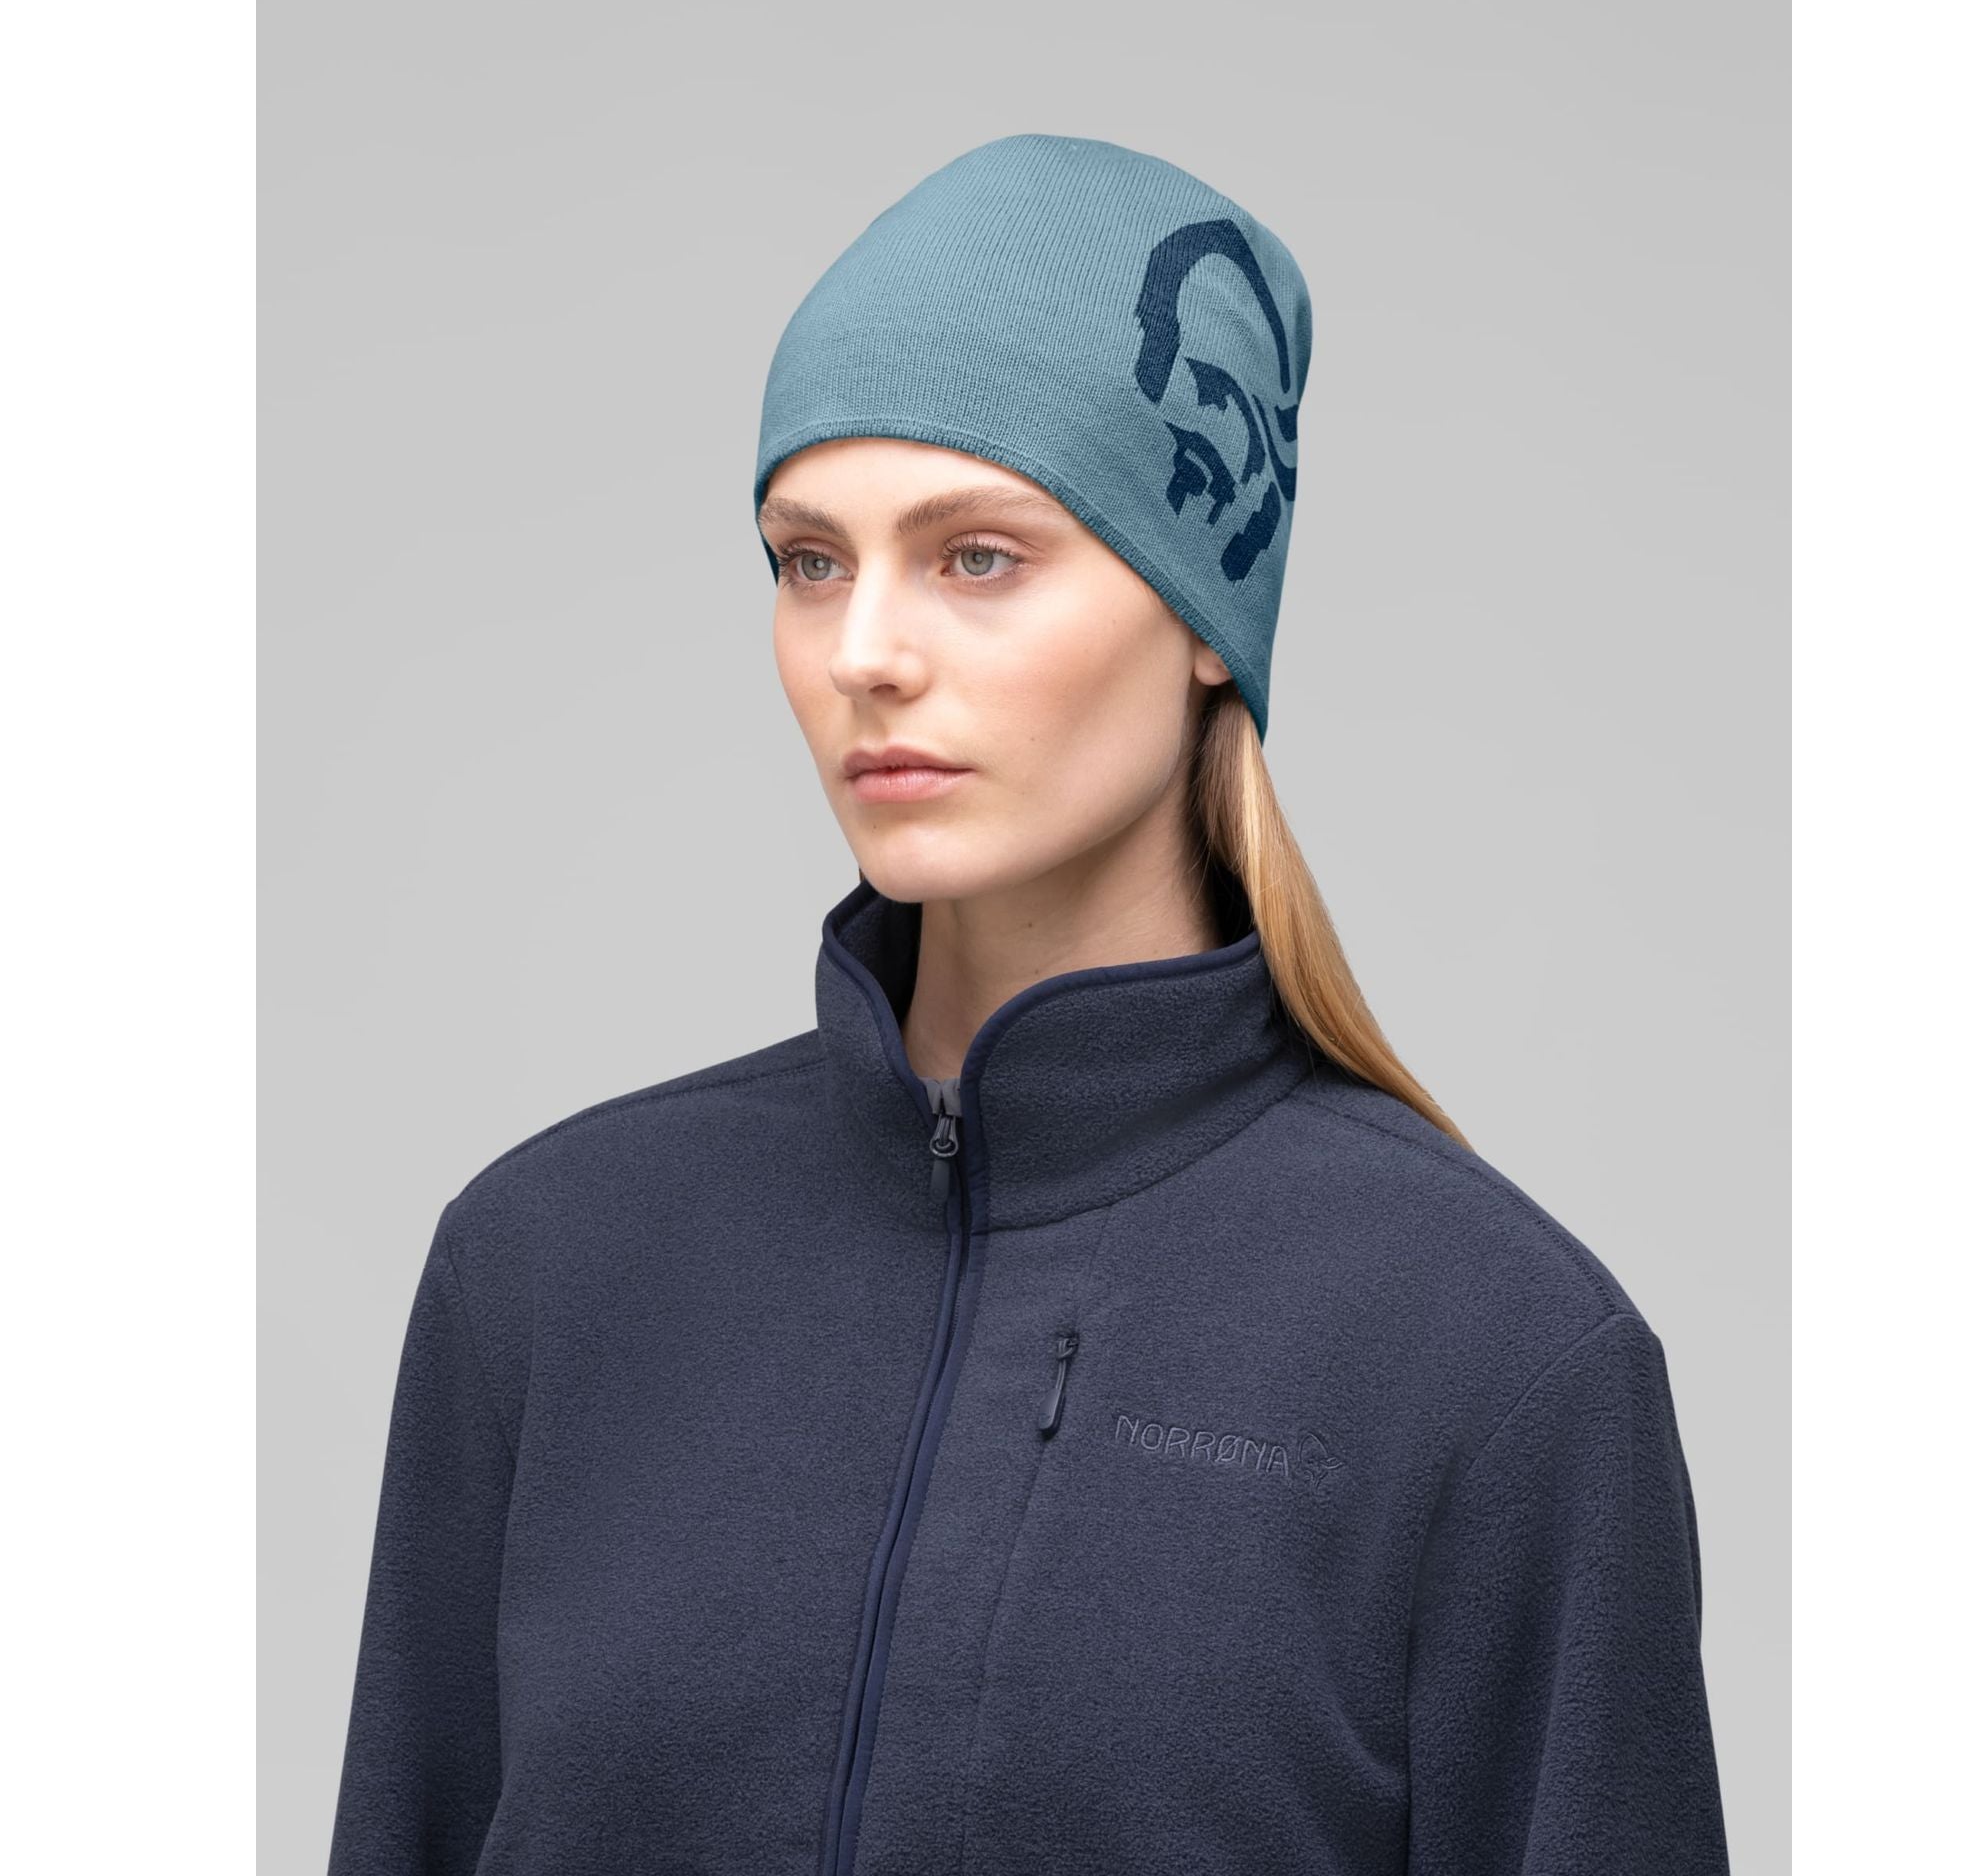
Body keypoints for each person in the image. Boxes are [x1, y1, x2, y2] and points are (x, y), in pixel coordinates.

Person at [327, 133, 1732, 1875]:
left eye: (978, 556)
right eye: (809, 560)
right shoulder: (549, 1267)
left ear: (1204, 610)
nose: (864, 652)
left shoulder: (1493, 1360)